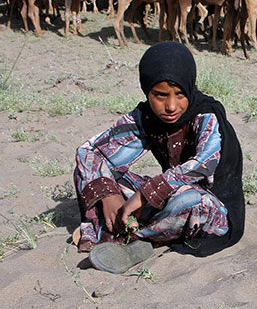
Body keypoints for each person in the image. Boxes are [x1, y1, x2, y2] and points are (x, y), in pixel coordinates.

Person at [72, 41, 244, 273]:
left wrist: (147, 194)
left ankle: (132, 236)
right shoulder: (146, 117)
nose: (171, 106)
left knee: (192, 201)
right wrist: (109, 195)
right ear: (147, 90)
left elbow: (203, 164)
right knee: (95, 172)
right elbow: (91, 152)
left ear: (190, 88)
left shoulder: (207, 115)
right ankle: (131, 224)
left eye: (180, 94)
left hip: (212, 207)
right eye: (160, 95)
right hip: (165, 195)